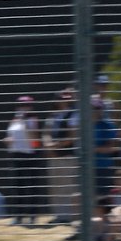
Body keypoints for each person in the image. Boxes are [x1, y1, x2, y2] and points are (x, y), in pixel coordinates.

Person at [42, 88, 78, 224]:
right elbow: (46, 132)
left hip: (67, 155)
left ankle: (69, 216)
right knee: (55, 187)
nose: (64, 101)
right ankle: (59, 215)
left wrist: (55, 145)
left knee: (68, 187)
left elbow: (72, 136)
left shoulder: (73, 115)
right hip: (54, 156)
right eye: (62, 99)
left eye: (67, 99)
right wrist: (47, 144)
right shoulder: (53, 116)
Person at [4, 96, 41, 225]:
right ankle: (18, 216)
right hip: (15, 154)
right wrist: (7, 140)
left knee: (30, 186)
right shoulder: (14, 120)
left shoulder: (33, 119)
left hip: (28, 155)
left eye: (26, 105)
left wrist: (25, 123)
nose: (23, 108)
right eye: (20, 105)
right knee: (17, 186)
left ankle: (32, 215)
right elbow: (9, 136)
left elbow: (35, 138)